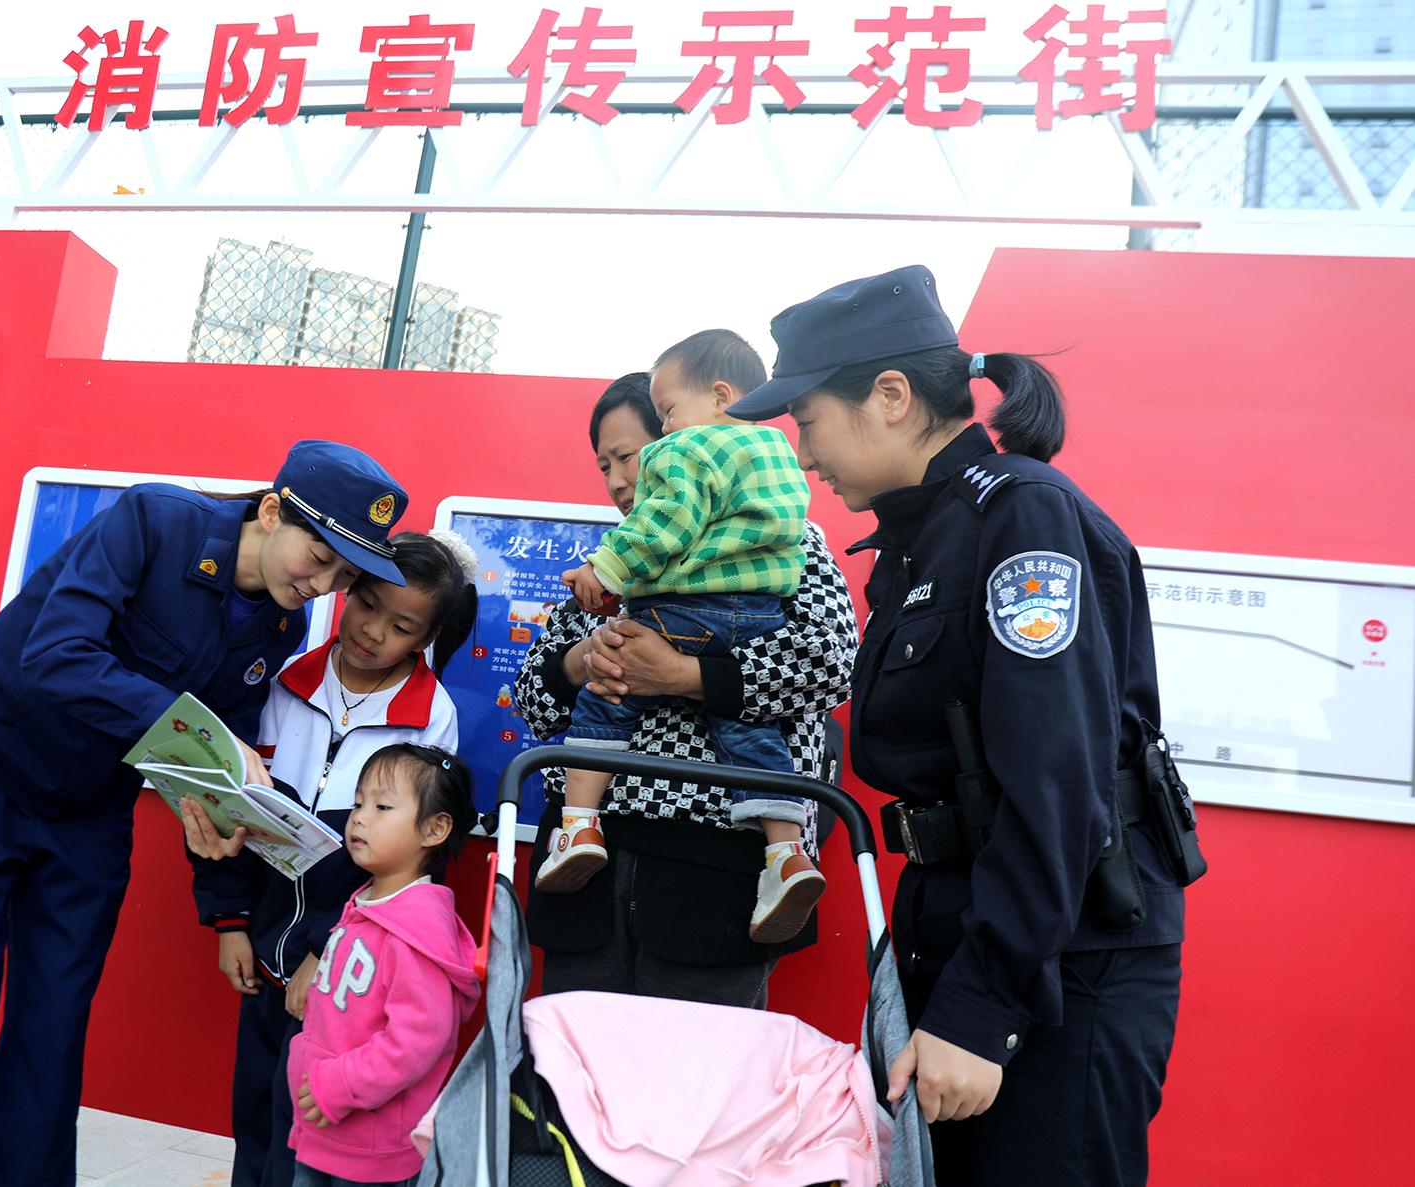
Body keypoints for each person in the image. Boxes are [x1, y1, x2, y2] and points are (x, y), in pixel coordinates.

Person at [726, 265, 1187, 1187]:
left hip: (1061, 962)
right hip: (969, 931)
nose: (804, 455)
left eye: (807, 420)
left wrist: (982, 1009)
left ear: (890, 396)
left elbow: (1057, 783)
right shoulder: (921, 535)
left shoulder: (1019, 516)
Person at [0, 441, 411, 1187]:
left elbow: (214, 748)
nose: (323, 585)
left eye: (343, 576)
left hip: (91, 806)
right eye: (319, 558)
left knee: (53, 1022)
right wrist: (195, 730)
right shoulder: (154, 522)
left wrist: (213, 816)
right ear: (272, 511)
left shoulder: (277, 626)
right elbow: (56, 653)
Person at [514, 369, 859, 1008]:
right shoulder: (610, 563)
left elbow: (832, 661)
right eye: (604, 465)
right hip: (587, 876)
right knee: (576, 1061)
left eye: (629, 456)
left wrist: (684, 676)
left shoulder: (785, 542)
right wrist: (583, 660)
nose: (618, 481)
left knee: (698, 1066)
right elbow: (533, 702)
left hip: (718, 869)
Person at [184, 532, 479, 1187]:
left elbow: (410, 862)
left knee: (309, 1127)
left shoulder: (431, 716)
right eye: (367, 605)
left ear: (427, 637)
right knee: (255, 1114)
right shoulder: (283, 681)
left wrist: (327, 948)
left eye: (401, 626)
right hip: (264, 945)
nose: (374, 632)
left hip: (346, 975)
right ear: (346, 588)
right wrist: (229, 921)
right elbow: (232, 809)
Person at [285, 744, 481, 1187]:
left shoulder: (417, 931)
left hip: (369, 1148)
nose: (359, 818)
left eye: (382, 807)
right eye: (358, 803)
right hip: (323, 1126)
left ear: (435, 829)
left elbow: (417, 1040)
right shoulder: (366, 903)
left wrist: (341, 1085)